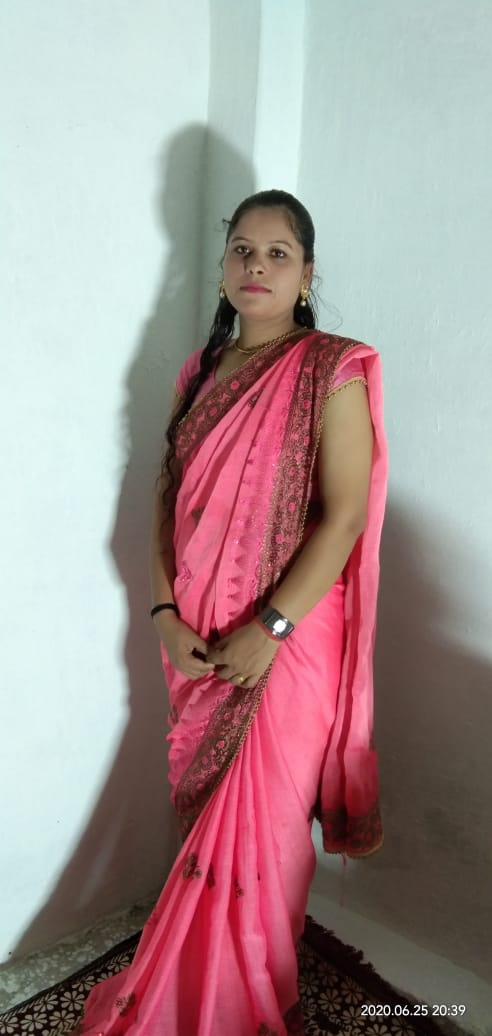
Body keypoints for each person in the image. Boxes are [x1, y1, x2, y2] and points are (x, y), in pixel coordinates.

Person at [77, 189, 388, 1035]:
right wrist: (162, 611)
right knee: (208, 829)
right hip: (196, 641)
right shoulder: (198, 374)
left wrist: (271, 628)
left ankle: (248, 1003)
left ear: (307, 273)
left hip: (289, 645)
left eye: (278, 252)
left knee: (269, 838)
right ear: (222, 269)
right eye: (241, 250)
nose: (256, 265)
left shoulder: (332, 367)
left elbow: (345, 517)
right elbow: (166, 499)